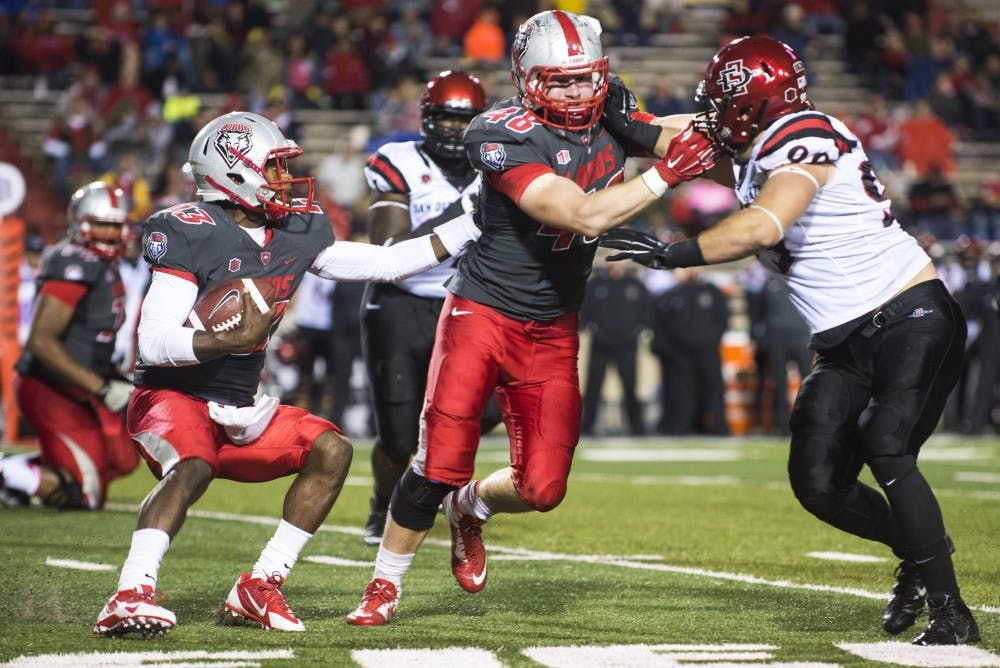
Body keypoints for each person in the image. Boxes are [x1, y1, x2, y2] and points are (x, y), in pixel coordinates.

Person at [346, 9, 721, 626]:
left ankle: (470, 508)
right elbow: (581, 214)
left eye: (586, 79)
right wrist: (667, 173)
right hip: (482, 311)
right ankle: (384, 585)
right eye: (561, 81)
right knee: (438, 460)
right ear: (527, 78)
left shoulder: (610, 106)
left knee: (543, 489)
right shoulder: (497, 130)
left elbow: (672, 135)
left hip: (553, 324)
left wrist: (738, 135)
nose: (577, 93)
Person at [599, 35, 978, 646]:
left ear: (754, 103)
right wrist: (630, 124)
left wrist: (675, 254)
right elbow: (688, 142)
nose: (714, 116)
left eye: (724, 103)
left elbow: (763, 223)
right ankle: (916, 549)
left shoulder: (805, 133)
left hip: (910, 317)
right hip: (844, 342)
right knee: (818, 482)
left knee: (885, 444)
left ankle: (950, 608)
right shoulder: (758, 150)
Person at [92, 110, 483, 639]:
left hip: (237, 404)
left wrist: (473, 220)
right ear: (234, 172)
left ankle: (261, 584)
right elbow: (153, 342)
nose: (284, 179)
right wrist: (226, 339)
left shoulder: (296, 229)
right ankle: (131, 591)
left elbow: (389, 264)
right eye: (272, 167)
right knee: (193, 465)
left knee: (332, 450)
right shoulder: (186, 229)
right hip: (170, 397)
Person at [360, 70, 503, 546]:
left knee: (487, 408)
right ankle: (384, 503)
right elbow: (389, 250)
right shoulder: (398, 162)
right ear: (426, 118)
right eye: (443, 118)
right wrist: (468, 208)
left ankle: (431, 492)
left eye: (464, 120)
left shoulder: (498, 166)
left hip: (469, 303)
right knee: (399, 438)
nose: (453, 129)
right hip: (401, 306)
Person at [2, 182, 139, 511]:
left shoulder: (106, 265)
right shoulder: (75, 263)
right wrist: (103, 388)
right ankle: (10, 472)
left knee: (123, 457)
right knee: (86, 494)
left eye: (116, 225)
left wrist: (112, 376)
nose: (109, 233)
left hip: (77, 387)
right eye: (102, 223)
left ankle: (16, 476)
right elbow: (42, 341)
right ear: (80, 223)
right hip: (50, 388)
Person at [651, 265, 729, 436]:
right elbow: (662, 324)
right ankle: (681, 426)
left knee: (713, 390)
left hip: (708, 350)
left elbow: (722, 319)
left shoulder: (713, 292)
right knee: (683, 392)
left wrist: (711, 339)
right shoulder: (671, 295)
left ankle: (718, 427)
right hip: (681, 353)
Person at [579, 259, 651, 436]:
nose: (620, 265)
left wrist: (638, 329)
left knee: (630, 386)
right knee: (593, 387)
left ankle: (637, 427)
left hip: (627, 345)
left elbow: (647, 310)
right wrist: (587, 327)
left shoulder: (635, 285)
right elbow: (585, 309)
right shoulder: (596, 284)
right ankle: (587, 426)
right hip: (601, 344)